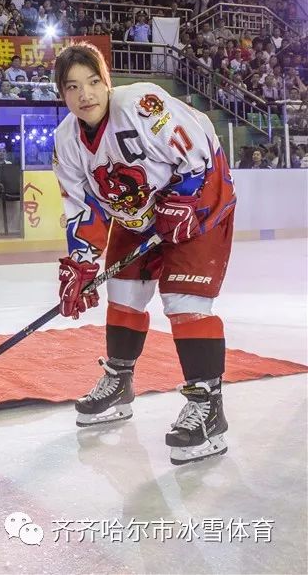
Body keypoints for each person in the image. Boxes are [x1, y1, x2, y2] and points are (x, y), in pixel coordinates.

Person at [51, 42, 236, 466]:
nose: (86, 94)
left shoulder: (141, 104)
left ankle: (209, 406)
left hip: (199, 198)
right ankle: (119, 381)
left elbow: (199, 149)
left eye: (94, 82)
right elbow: (82, 207)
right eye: (74, 87)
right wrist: (81, 261)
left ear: (107, 80)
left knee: (185, 302)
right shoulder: (66, 141)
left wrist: (189, 197)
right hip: (136, 215)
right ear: (62, 94)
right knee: (122, 293)